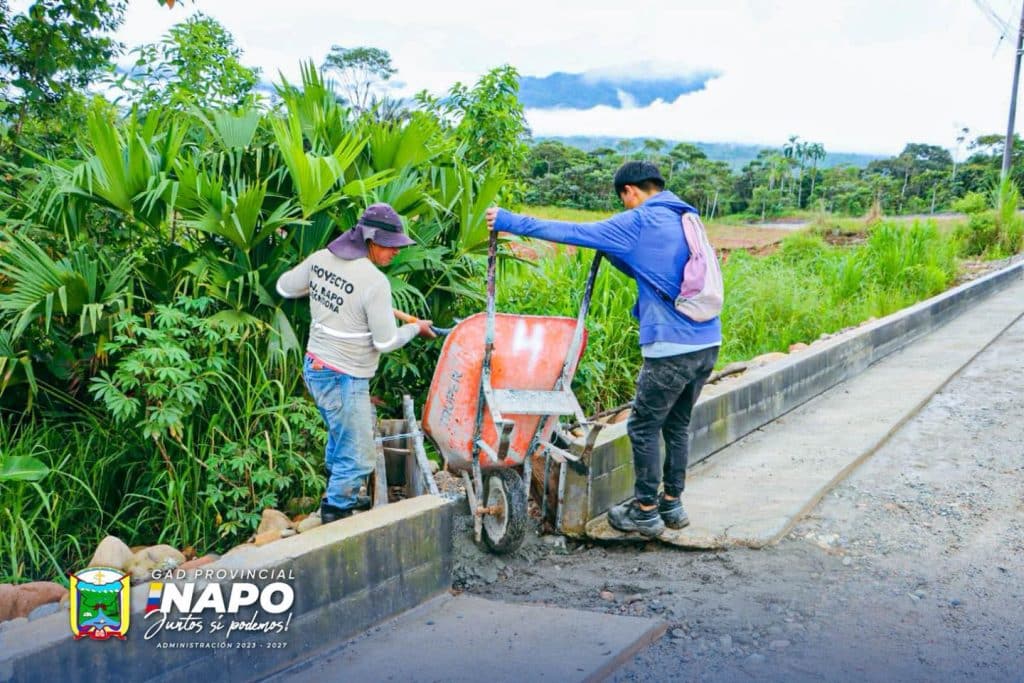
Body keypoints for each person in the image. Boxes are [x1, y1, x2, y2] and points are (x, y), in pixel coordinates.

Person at [485, 161, 722, 537]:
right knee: (677, 425)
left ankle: (645, 511)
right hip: (707, 343)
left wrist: (508, 220)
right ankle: (672, 505)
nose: (624, 206)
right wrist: (613, 253)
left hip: (671, 347)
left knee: (643, 426)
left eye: (623, 199)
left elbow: (572, 231)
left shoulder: (640, 220)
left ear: (631, 191)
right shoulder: (684, 217)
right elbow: (656, 269)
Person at [276, 203, 435, 523]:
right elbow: (385, 342)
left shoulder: (320, 259)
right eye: (390, 245)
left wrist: (326, 287)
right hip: (343, 376)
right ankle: (336, 512)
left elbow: (285, 286)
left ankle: (341, 492)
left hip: (315, 368)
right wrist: (414, 329)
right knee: (359, 452)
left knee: (340, 435)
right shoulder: (374, 282)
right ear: (370, 240)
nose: (396, 252)